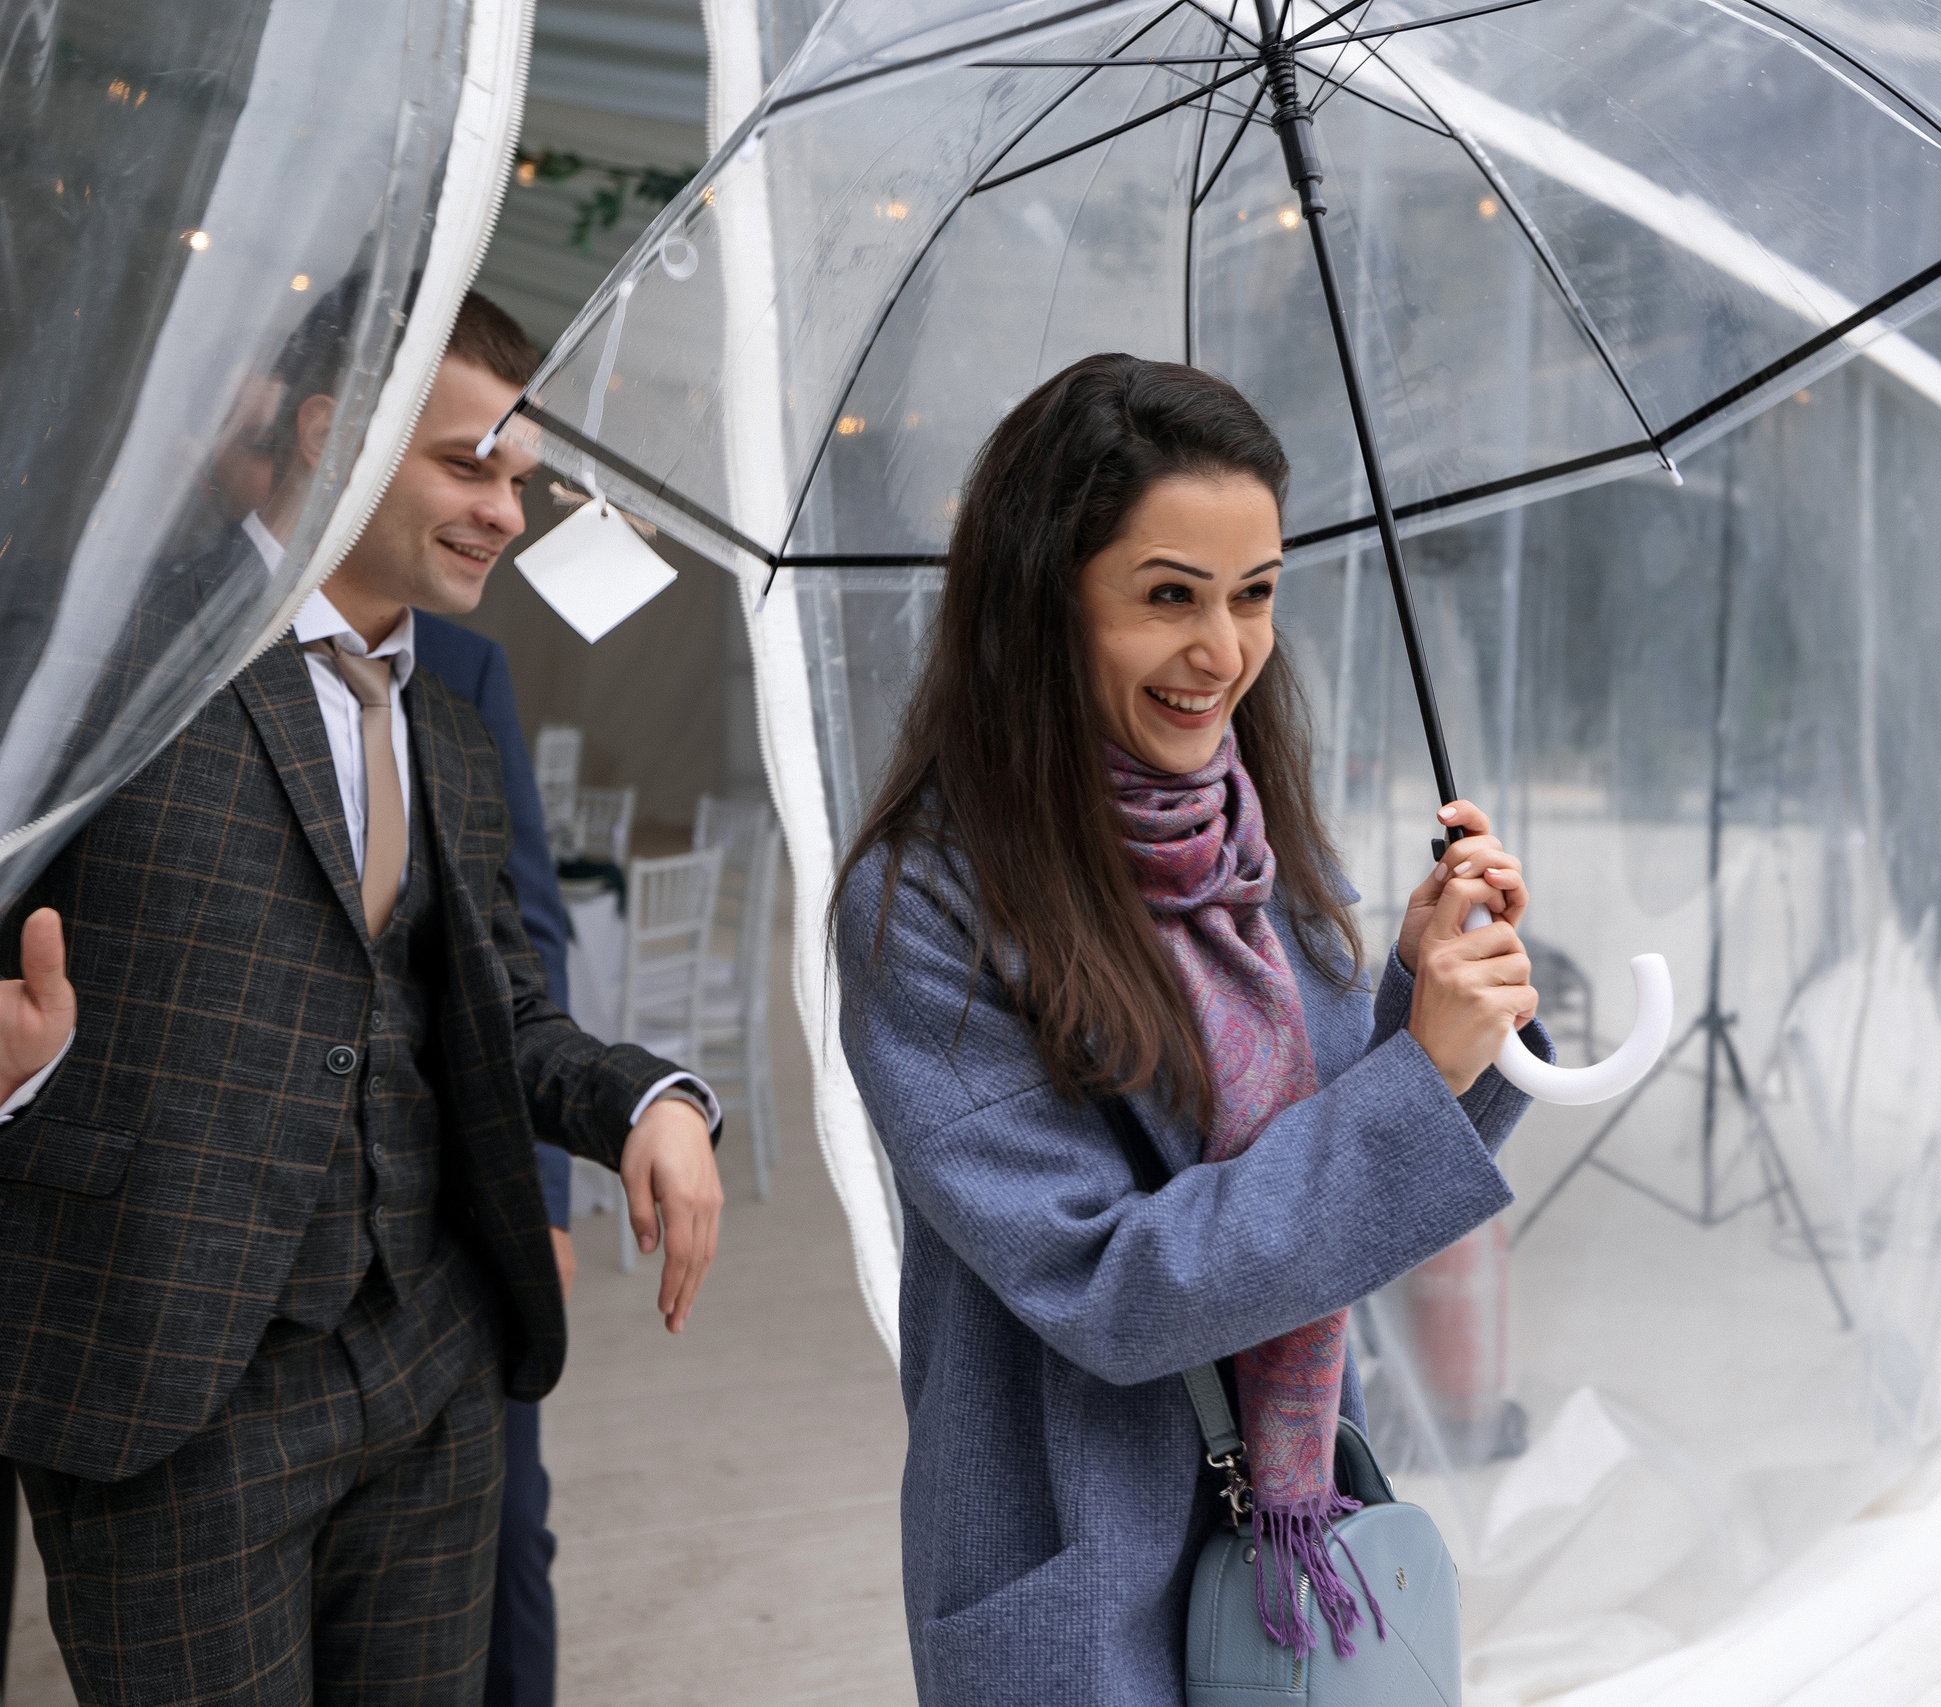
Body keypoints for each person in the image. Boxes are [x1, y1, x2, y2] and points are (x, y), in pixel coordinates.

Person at [0, 288, 724, 1707]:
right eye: (471, 464)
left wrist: (649, 1096)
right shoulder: (112, 649)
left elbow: (502, 1009)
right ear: (337, 434)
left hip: (428, 1374)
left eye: (518, 476)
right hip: (170, 1386)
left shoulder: (446, 719)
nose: (508, 513)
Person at [834, 353, 1550, 1703]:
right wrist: (1420, 1074)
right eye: (1169, 595)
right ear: (1045, 604)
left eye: (1255, 592)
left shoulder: (1253, 846)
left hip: (1295, 1552)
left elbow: (1352, 1167)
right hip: (1081, 1577)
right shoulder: (922, 903)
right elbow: (1109, 1285)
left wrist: (1434, 993)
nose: (1222, 649)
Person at [411, 602, 579, 1707]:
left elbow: (528, 940)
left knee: (509, 1534)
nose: (506, 515)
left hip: (458, 1202)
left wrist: (548, 1190)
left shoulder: (461, 664)